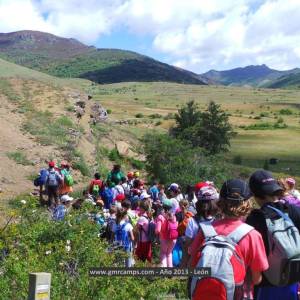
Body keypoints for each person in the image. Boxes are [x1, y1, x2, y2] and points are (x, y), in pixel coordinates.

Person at [189, 179, 269, 300]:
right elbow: (256, 279)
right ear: (247, 203)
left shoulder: (205, 230)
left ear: (220, 202)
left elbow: (191, 266)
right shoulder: (252, 235)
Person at [247, 170, 300, 300]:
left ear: (255, 195)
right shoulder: (294, 211)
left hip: (266, 284)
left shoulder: (254, 219)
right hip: (292, 280)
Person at [181, 184, 219, 267]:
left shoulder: (193, 221)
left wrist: (183, 264)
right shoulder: (220, 221)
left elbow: (187, 245)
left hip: (197, 263)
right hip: (216, 263)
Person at [155, 199, 178, 267]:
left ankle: (163, 271)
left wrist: (155, 232)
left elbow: (158, 230)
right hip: (173, 238)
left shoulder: (161, 217)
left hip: (164, 238)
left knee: (163, 253)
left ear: (163, 207)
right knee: (169, 253)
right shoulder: (173, 216)